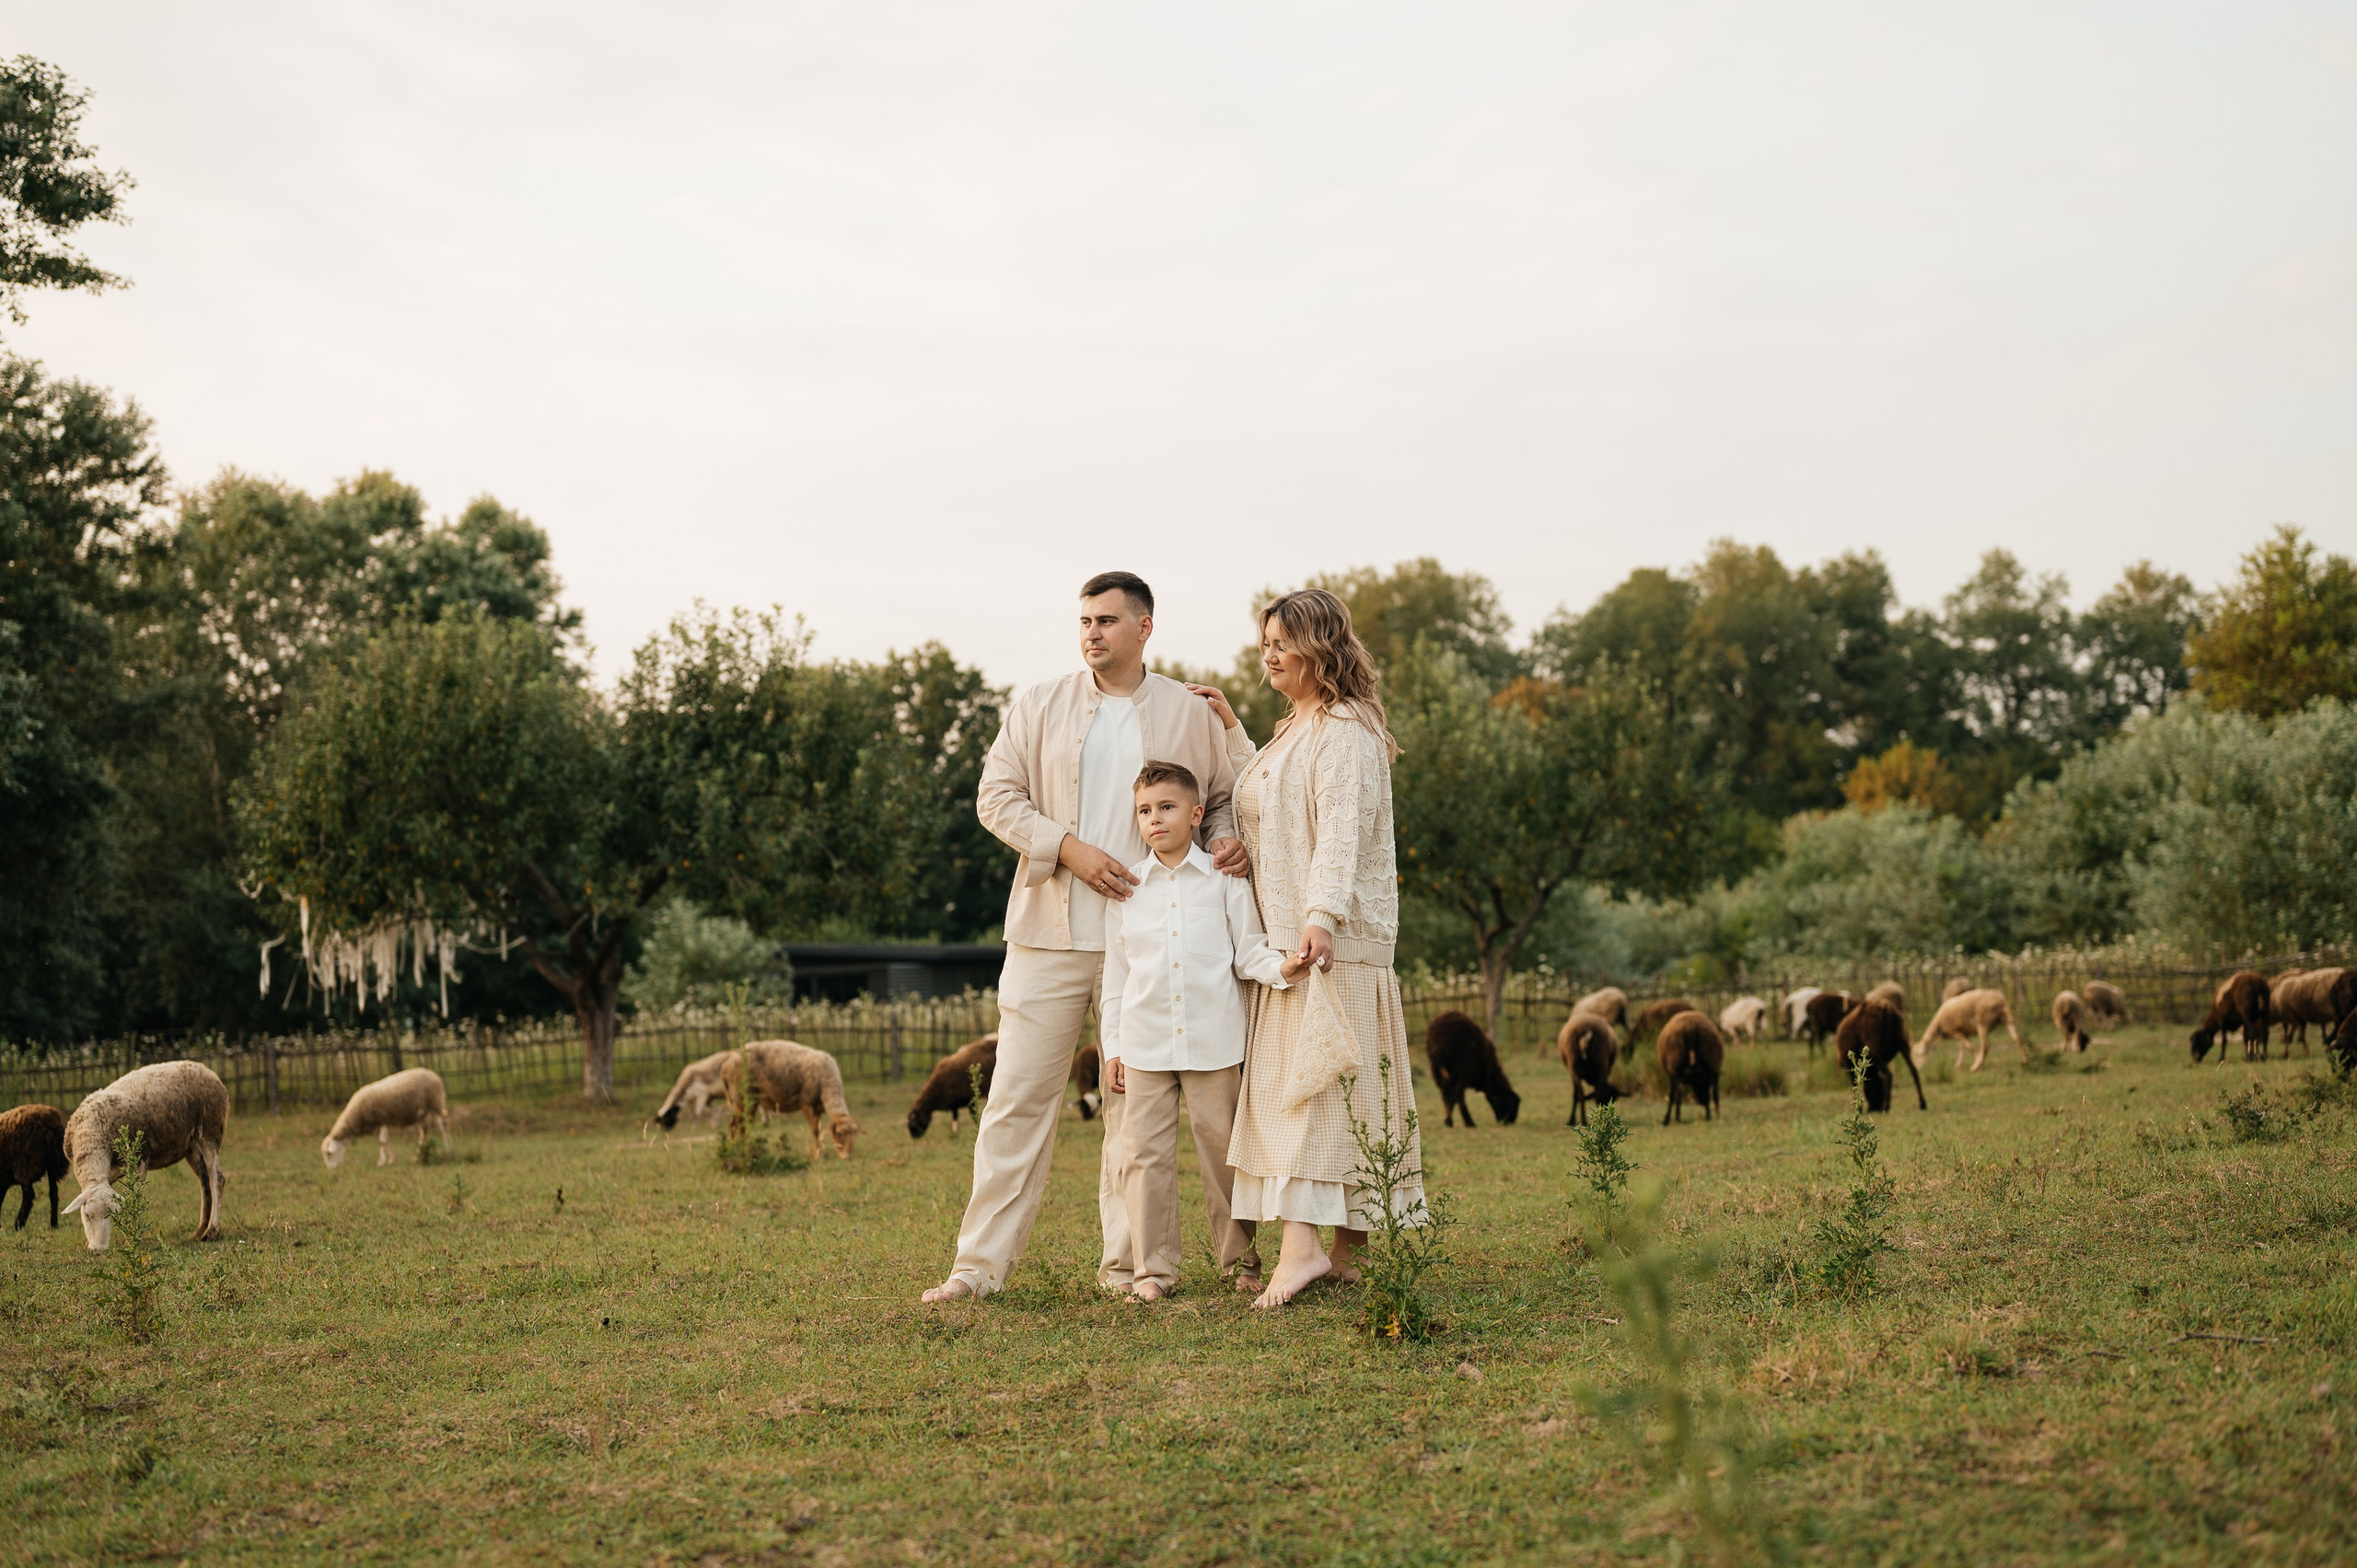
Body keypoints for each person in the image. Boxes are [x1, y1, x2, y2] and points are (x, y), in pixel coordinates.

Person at [921, 572, 1251, 1304]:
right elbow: (995, 796)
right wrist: (1069, 848)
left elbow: (1223, 799)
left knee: (1130, 1105)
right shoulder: (1039, 704)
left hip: (1155, 937)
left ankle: (1129, 1270)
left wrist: (1224, 844)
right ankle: (976, 1268)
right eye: (1084, 620)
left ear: (1145, 627)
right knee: (1016, 1096)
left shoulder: (1187, 709)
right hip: (1049, 928)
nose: (1092, 631)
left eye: (1106, 620)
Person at [1198, 587, 1425, 1310]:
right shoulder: (1295, 726)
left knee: (1315, 1090)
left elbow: (1341, 830)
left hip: (1327, 941)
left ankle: (1300, 1251)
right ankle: (1345, 1252)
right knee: (1339, 1090)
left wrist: (1321, 916)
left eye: (1281, 642)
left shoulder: (1346, 730)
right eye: (1264, 641)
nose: (1268, 653)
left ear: (1319, 647)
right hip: (1293, 940)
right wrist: (1234, 731)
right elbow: (1261, 786)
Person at [1099, 761, 1303, 1301]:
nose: (1154, 820)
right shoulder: (1125, 890)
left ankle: (1242, 1261)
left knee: (1222, 1156)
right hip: (1144, 1045)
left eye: (1166, 808)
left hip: (1214, 1044)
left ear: (1195, 815)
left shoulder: (1225, 880)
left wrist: (1283, 969)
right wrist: (1114, 1048)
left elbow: (1248, 953)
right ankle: (1153, 1272)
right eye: (1145, 811)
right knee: (1143, 1158)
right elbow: (1116, 980)